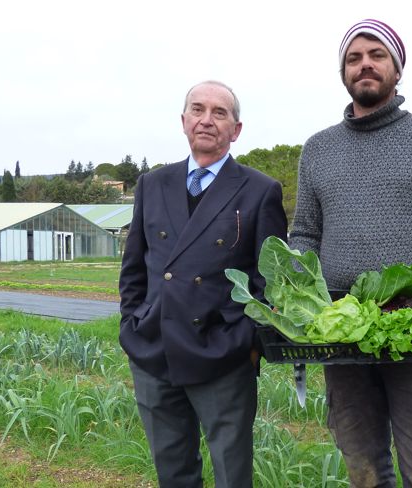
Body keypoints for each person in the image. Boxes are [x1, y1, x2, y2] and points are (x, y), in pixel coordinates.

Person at [288, 19, 412, 487]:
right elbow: (305, 236)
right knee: (363, 468)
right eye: (354, 58)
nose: (365, 65)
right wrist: (293, 285)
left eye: (377, 55)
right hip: (342, 330)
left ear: (397, 69)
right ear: (343, 72)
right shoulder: (317, 150)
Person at [118, 80, 287, 487]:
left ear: (236, 129)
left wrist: (245, 342)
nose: (206, 120)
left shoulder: (261, 190)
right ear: (183, 121)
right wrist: (132, 324)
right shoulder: (152, 184)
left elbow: (272, 283)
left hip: (222, 355)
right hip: (155, 351)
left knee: (232, 474)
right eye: (198, 109)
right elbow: (134, 269)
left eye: (219, 113)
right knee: (173, 472)